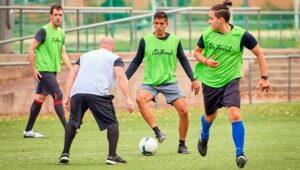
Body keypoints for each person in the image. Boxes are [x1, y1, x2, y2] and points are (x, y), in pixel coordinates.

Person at [193, 0, 272, 168]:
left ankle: (240, 154)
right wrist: (206, 61)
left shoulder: (242, 35)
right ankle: (204, 136)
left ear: (221, 20)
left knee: (235, 115)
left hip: (231, 80)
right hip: (210, 81)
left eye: (210, 18)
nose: (208, 21)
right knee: (210, 117)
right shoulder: (207, 34)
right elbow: (196, 53)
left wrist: (264, 77)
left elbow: (259, 53)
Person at [126, 11, 200, 154]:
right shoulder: (145, 40)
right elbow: (136, 60)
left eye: (161, 24)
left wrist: (193, 79)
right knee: (139, 99)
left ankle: (182, 145)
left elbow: (184, 59)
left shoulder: (175, 41)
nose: (158, 26)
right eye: (156, 23)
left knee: (184, 111)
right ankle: (157, 131)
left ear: (166, 24)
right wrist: (125, 77)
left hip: (170, 82)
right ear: (153, 23)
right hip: (150, 83)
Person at [58, 37, 135, 165]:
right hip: (98, 93)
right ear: (113, 47)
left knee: (73, 121)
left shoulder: (85, 56)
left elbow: (72, 74)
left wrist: (67, 96)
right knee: (112, 124)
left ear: (100, 46)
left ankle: (65, 153)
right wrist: (128, 97)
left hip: (78, 92)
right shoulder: (114, 57)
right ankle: (112, 156)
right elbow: (121, 76)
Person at [24, 5, 72, 138]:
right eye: (55, 15)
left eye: (60, 15)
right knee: (58, 94)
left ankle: (28, 131)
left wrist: (73, 70)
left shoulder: (61, 32)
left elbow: (63, 53)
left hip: (52, 70)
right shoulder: (43, 31)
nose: (58, 17)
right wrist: (33, 69)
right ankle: (68, 128)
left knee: (39, 98)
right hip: (43, 70)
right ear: (50, 16)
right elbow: (31, 49)